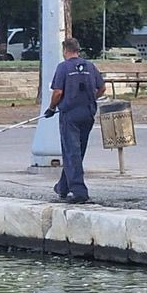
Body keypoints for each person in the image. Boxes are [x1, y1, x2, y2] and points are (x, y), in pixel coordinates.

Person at [44, 38, 105, 203]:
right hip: (87, 113)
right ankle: (63, 186)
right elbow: (102, 88)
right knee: (77, 152)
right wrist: (92, 98)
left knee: (71, 152)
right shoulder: (90, 66)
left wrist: (51, 108)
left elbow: (57, 92)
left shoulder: (63, 67)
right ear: (78, 50)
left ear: (65, 50)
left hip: (70, 114)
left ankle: (79, 191)